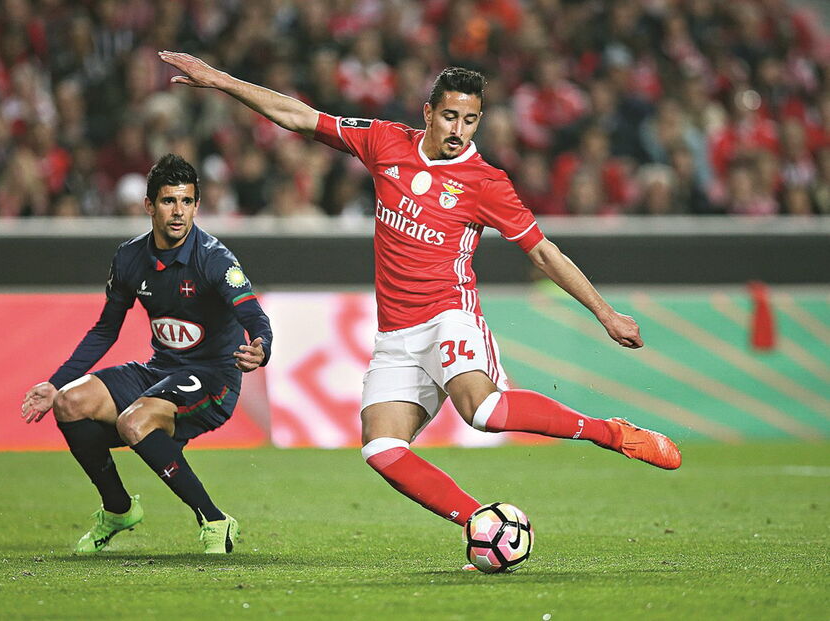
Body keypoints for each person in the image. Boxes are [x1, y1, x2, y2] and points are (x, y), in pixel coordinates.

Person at [157, 50, 681, 553]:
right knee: (381, 449)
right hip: (396, 336)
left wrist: (604, 312)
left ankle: (609, 433)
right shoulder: (385, 143)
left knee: (486, 410)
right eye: (450, 116)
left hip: (450, 315)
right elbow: (300, 117)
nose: (458, 130)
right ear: (428, 112)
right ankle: (480, 521)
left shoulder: (487, 183)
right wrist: (220, 80)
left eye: (470, 120)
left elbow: (543, 253)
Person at [21, 153, 272, 555]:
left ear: (196, 205)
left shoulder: (214, 259)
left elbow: (254, 315)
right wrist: (55, 382)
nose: (179, 212)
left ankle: (214, 519)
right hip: (160, 370)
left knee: (134, 421)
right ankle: (118, 510)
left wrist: (262, 347)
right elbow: (105, 329)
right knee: (70, 403)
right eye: (169, 201)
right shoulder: (129, 258)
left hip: (213, 378)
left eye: (187, 201)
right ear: (149, 206)